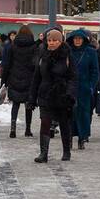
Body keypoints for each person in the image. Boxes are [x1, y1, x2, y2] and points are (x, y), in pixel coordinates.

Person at [30, 29, 77, 162]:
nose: (51, 43)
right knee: (45, 123)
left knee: (64, 124)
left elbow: (73, 78)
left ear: (60, 41)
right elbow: (36, 78)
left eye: (55, 40)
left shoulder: (67, 56)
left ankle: (66, 151)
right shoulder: (42, 55)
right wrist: (32, 98)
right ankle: (43, 153)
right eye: (49, 40)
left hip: (62, 95)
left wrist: (70, 94)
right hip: (45, 94)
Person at [1, 25, 39, 138]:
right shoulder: (34, 47)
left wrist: (5, 80)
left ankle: (13, 129)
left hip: (14, 77)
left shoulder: (12, 46)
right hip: (29, 79)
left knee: (15, 104)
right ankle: (28, 129)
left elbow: (7, 64)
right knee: (28, 105)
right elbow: (35, 64)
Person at [69, 29, 99, 150]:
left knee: (83, 114)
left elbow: (95, 71)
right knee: (69, 113)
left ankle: (82, 137)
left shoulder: (91, 52)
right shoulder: (68, 52)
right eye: (75, 38)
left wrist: (91, 86)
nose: (77, 41)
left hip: (84, 88)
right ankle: (69, 137)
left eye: (79, 39)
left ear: (84, 40)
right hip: (70, 87)